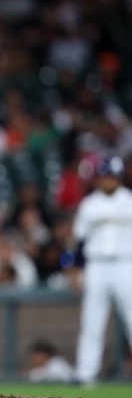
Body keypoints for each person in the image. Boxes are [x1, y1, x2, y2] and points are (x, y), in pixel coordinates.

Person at [62, 155, 132, 384]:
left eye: (111, 176)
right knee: (92, 321)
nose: (108, 181)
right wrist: (73, 269)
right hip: (97, 266)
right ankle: (86, 373)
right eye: (104, 176)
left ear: (119, 177)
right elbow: (77, 242)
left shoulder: (130, 201)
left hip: (125, 264)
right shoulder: (89, 204)